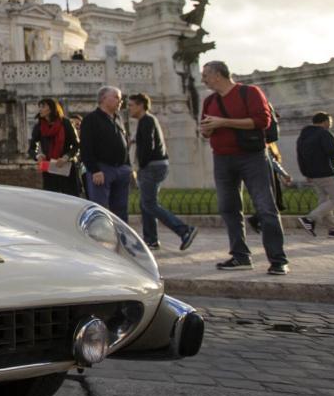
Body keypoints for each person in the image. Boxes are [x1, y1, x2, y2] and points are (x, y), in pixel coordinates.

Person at [199, 60, 289, 275]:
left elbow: (262, 121)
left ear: (218, 75)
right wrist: (208, 130)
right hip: (222, 158)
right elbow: (204, 130)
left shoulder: (249, 93)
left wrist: (223, 122)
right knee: (229, 208)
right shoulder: (209, 100)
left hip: (251, 156)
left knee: (265, 207)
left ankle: (278, 259)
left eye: (206, 75)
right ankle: (240, 256)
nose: (203, 79)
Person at [127, 93, 198, 251]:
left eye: (131, 105)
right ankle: (151, 240)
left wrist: (140, 166)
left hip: (151, 166)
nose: (129, 108)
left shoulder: (147, 121)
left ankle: (184, 230)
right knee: (146, 203)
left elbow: (148, 146)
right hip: (156, 165)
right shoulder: (147, 121)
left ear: (140, 105)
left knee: (149, 203)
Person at [79, 86, 132, 222]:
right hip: (102, 170)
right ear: (103, 99)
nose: (120, 101)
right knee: (100, 209)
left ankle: (121, 240)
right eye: (116, 97)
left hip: (121, 169)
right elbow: (86, 147)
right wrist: (95, 170)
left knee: (121, 209)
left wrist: (128, 166)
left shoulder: (118, 118)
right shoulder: (91, 120)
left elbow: (125, 143)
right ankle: (100, 240)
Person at [296, 112, 334, 238]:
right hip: (327, 173)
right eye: (330, 121)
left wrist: (306, 173)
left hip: (313, 176)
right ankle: (309, 219)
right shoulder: (324, 133)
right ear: (325, 121)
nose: (330, 124)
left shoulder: (303, 136)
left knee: (324, 203)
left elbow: (300, 157)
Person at [28, 97, 81, 196]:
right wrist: (38, 156)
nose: (40, 109)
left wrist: (66, 157)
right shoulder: (39, 126)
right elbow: (31, 148)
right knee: (52, 198)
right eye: (39, 107)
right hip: (49, 168)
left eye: (43, 106)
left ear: (52, 108)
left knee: (71, 197)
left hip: (66, 167)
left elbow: (76, 145)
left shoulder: (66, 123)